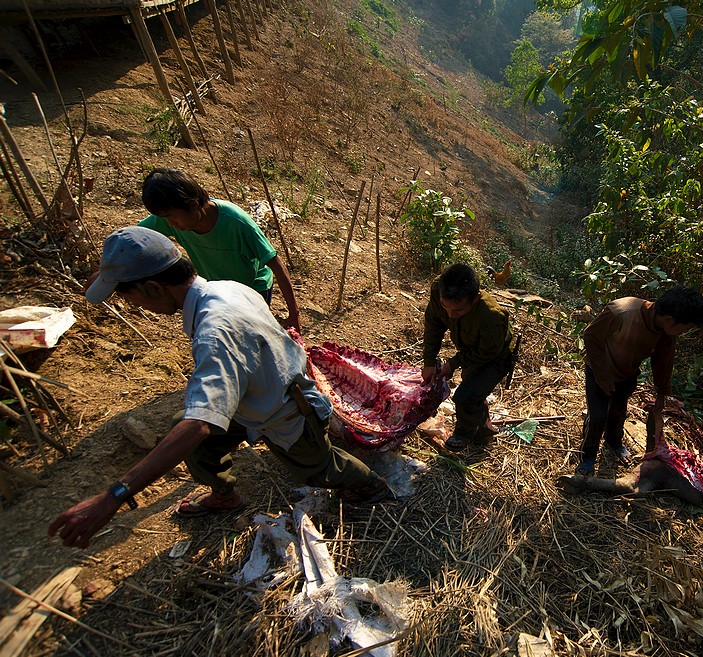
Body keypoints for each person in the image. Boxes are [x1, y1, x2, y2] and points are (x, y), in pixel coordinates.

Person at [49, 227, 388, 550]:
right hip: (254, 397)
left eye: (131, 297)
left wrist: (114, 496)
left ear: (153, 288)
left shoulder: (215, 331)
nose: (135, 306)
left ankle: (372, 486)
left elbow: (199, 423)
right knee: (197, 443)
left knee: (319, 470)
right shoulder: (225, 288)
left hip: (287, 410)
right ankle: (224, 495)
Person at [139, 168, 301, 330]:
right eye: (164, 218)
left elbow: (276, 265)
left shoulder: (237, 223)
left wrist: (294, 314)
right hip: (217, 288)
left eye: (171, 217)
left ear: (193, 205)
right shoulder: (174, 217)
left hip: (252, 288)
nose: (169, 223)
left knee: (246, 332)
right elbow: (135, 235)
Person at [578, 285, 703, 476]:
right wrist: (603, 377)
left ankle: (613, 442)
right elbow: (591, 336)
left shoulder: (665, 333)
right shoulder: (621, 311)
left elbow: (663, 362)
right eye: (686, 328)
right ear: (669, 319)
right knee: (597, 417)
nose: (683, 332)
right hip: (598, 370)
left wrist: (662, 394)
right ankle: (587, 457)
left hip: (627, 374)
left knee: (618, 412)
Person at [421, 263, 513, 452]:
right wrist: (429, 361)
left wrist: (453, 363)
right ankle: (485, 429)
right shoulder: (440, 289)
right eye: (445, 307)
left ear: (475, 299)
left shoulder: (490, 316)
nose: (450, 314)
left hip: (496, 356)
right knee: (473, 389)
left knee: (465, 396)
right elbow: (433, 324)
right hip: (470, 349)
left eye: (458, 311)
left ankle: (465, 434)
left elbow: (487, 352)